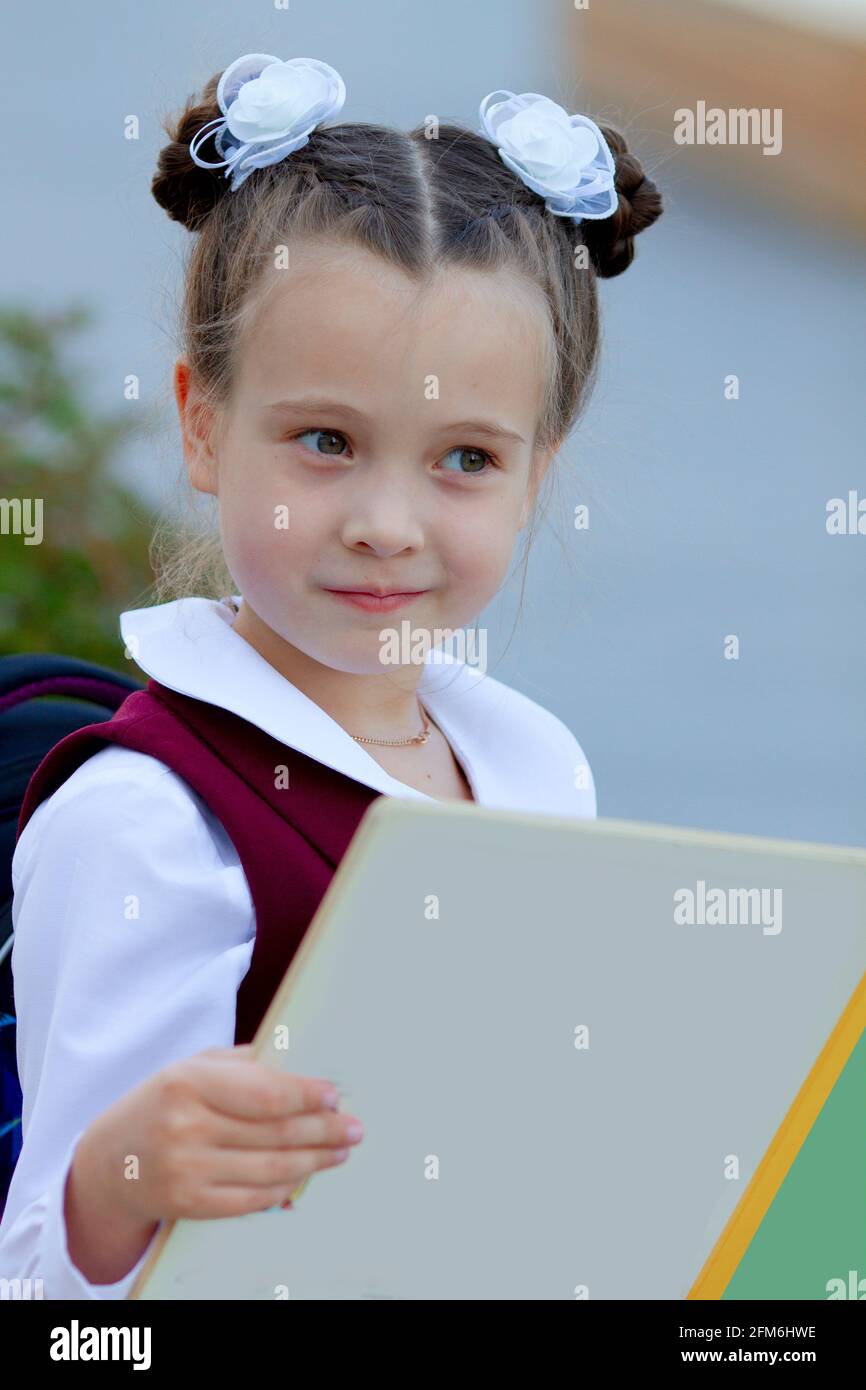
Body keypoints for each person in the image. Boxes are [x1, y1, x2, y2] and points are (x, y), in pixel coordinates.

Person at [0, 52, 663, 1299]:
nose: (383, 521)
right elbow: (45, 1305)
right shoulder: (146, 824)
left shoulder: (537, 770)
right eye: (325, 440)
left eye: (464, 456)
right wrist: (119, 1179)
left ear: (539, 469)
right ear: (201, 425)